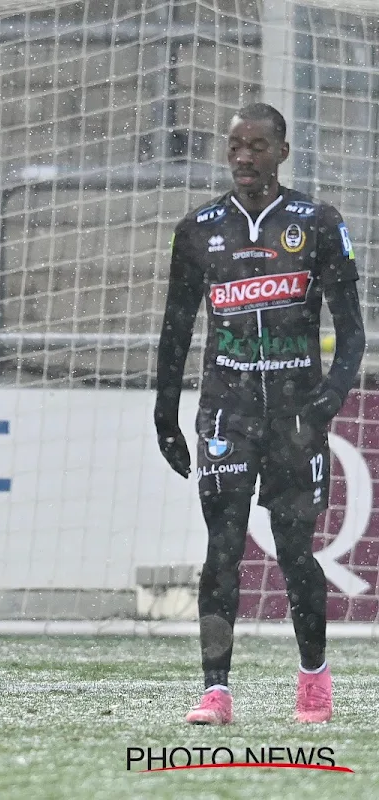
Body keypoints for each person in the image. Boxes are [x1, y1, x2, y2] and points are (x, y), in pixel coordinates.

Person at [154, 103, 365, 725]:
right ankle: (215, 691)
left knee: (296, 550)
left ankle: (313, 681)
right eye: (235, 146)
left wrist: (325, 405)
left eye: (257, 146)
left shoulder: (318, 223)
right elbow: (174, 330)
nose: (244, 157)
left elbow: (352, 334)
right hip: (227, 411)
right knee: (222, 548)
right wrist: (166, 413)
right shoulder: (197, 229)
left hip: (296, 415)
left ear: (282, 150)